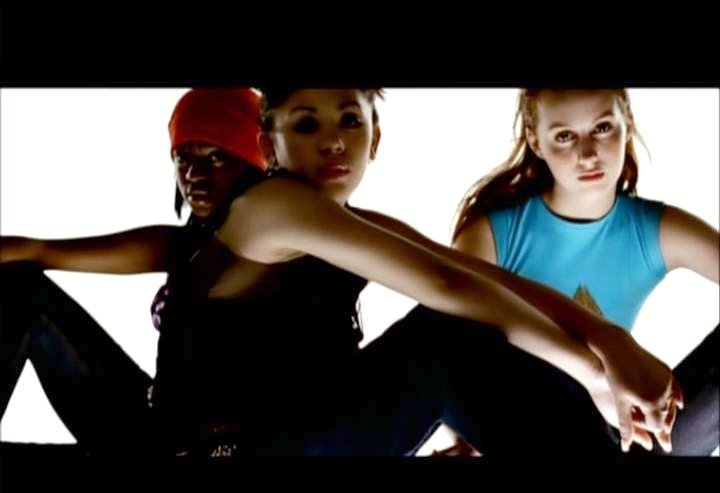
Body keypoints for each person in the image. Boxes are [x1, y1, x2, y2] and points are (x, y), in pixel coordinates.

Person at [0, 87, 679, 458]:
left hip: (235, 434)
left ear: (374, 136)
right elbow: (449, 289)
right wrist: (594, 371)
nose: (332, 141)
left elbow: (474, 275)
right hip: (217, 444)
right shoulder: (271, 209)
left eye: (350, 119)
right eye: (306, 124)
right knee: (445, 332)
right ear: (269, 144)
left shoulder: (333, 222)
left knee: (455, 329)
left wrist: (607, 339)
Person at [440, 88, 718, 456]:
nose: (587, 154)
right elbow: (451, 355)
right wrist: (465, 445)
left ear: (627, 121)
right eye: (565, 136)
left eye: (602, 128)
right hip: (522, 435)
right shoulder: (491, 237)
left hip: (621, 434)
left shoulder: (653, 230)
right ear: (535, 142)